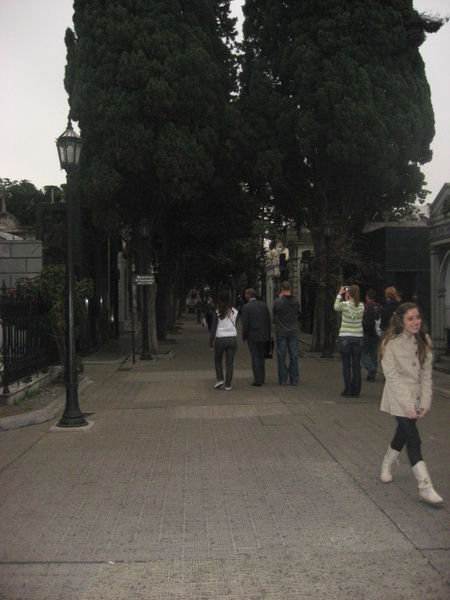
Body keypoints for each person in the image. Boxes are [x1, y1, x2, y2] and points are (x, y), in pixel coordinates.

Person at [378, 302, 443, 505]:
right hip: (398, 398)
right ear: (401, 321)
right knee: (413, 438)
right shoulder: (390, 344)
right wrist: (408, 406)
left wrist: (424, 402)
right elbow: (393, 378)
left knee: (403, 433)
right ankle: (425, 486)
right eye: (410, 318)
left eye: (418, 317)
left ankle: (387, 462)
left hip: (415, 398)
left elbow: (426, 375)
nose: (416, 322)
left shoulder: (424, 341)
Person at [334, 284, 364, 397]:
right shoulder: (361, 306)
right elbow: (355, 305)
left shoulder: (345, 305)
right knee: (356, 364)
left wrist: (340, 294)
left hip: (345, 337)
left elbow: (336, 307)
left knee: (346, 365)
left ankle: (347, 389)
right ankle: (356, 390)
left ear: (348, 293)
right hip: (358, 337)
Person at [209, 291, 238, 391]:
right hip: (232, 338)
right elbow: (235, 324)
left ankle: (220, 379)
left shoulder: (217, 311)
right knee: (229, 363)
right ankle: (228, 384)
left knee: (218, 360)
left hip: (220, 338)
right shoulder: (235, 311)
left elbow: (213, 328)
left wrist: (211, 342)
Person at [241, 288, 271, 386]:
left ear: (249, 295)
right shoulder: (263, 305)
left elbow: (245, 324)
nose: (245, 296)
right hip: (263, 335)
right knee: (262, 357)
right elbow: (268, 320)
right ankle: (262, 378)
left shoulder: (246, 307)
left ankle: (257, 380)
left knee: (254, 356)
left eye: (246, 294)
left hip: (252, 336)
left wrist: (244, 336)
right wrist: (268, 334)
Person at [273, 281, 300, 385]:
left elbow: (275, 313)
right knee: (294, 355)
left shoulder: (278, 302)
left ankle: (283, 379)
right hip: (293, 329)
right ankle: (294, 379)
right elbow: (298, 313)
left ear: (281, 289)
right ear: (290, 288)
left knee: (281, 355)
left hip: (281, 330)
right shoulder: (296, 301)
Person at [361, 288, 382, 382]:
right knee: (374, 353)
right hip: (376, 333)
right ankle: (372, 373)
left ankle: (371, 369)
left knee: (363, 353)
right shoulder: (379, 307)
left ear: (367, 297)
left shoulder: (365, 307)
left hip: (366, 333)